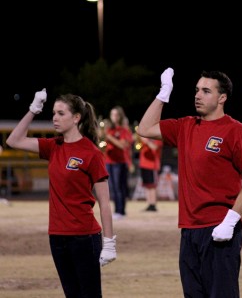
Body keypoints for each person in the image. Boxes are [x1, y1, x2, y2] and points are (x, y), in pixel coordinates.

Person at [137, 68, 242, 297]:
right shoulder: (185, 126)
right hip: (189, 230)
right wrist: (164, 93)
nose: (197, 95)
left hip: (220, 229)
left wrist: (230, 221)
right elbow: (144, 128)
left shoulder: (235, 130)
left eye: (205, 91)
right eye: (196, 90)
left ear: (222, 98)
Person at [6, 89, 116, 298]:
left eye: (61, 113)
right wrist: (32, 110)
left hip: (84, 237)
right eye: (53, 113)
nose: (54, 118)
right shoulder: (53, 146)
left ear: (76, 118)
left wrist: (109, 242)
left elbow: (105, 202)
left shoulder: (91, 153)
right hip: (57, 236)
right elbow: (14, 140)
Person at [104, 106, 130, 220]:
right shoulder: (109, 129)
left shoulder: (124, 130)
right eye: (112, 114)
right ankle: (117, 210)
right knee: (112, 188)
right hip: (108, 161)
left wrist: (109, 137)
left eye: (115, 114)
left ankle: (120, 211)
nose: (113, 117)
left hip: (119, 162)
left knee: (119, 187)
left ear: (119, 116)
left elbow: (122, 145)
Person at [138, 136, 163, 211]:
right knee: (147, 185)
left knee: (153, 185)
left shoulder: (157, 137)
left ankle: (153, 204)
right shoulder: (145, 137)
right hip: (143, 164)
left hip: (152, 165)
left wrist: (146, 141)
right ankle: (149, 203)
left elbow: (154, 147)